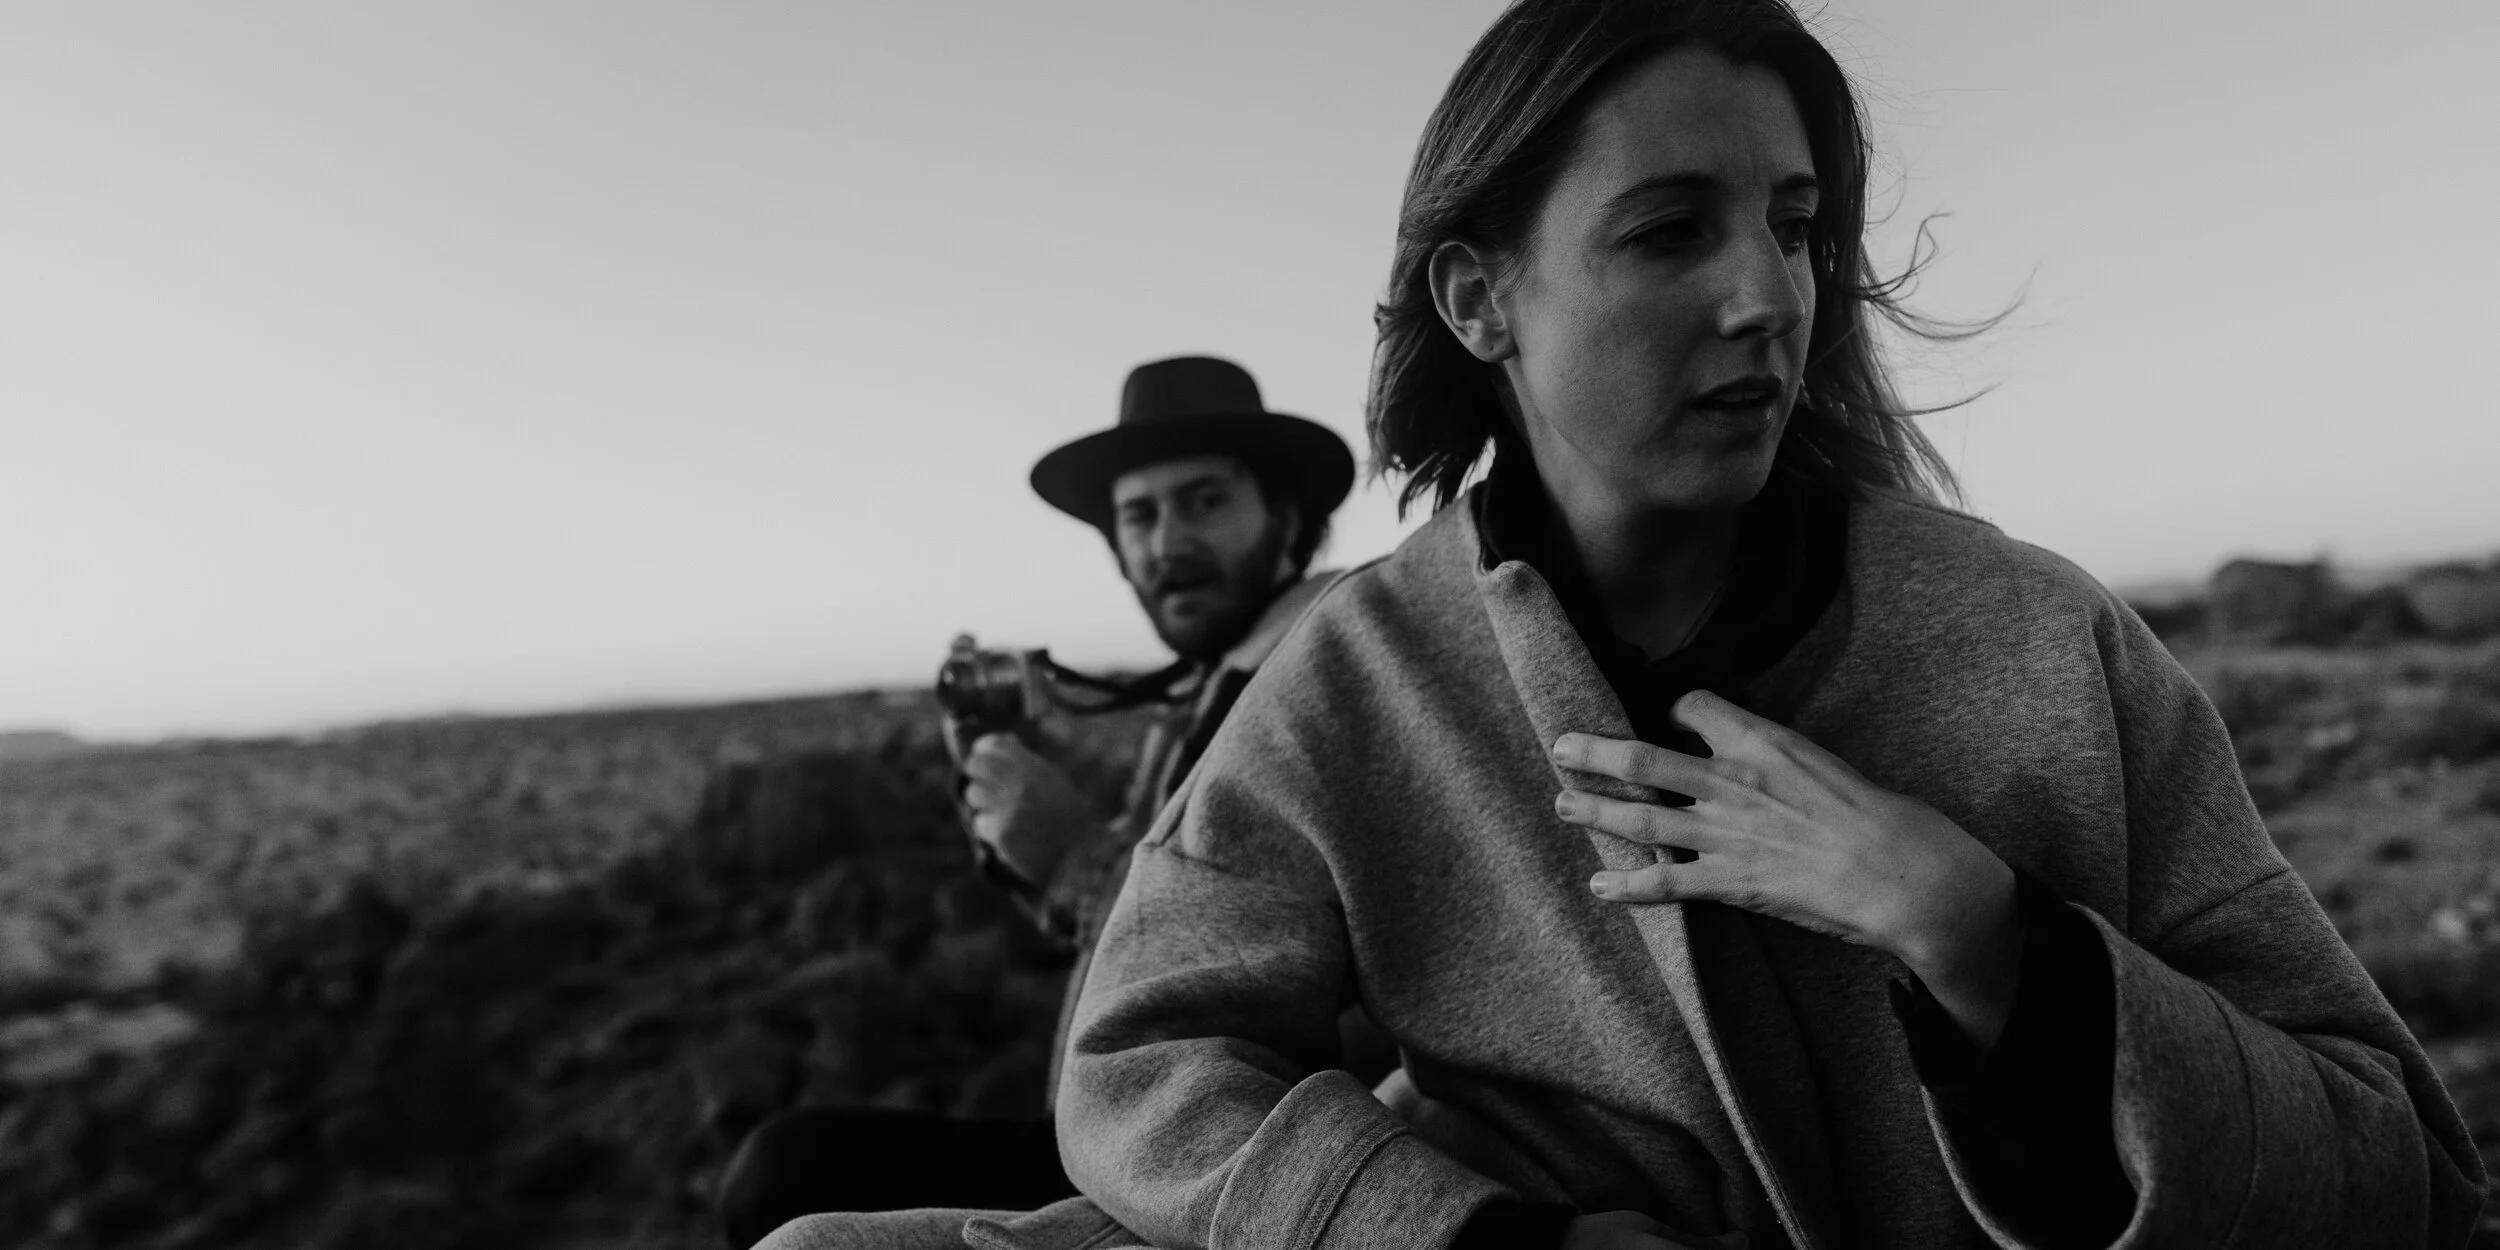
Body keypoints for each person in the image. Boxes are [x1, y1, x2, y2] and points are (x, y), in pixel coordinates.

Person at [759, 2, 2490, 1248]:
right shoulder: (1363, 676)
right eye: (1670, 233)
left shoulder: (2045, 643)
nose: (1769, 297)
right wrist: (1470, 1236)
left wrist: (1986, 937)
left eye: (1795, 230)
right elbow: (1142, 1060)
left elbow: (2404, 1168)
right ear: (1479, 297)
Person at [715, 355, 1360, 1248]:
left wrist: (1076, 862)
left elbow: (1283, 971)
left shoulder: (1323, 666)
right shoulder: (1208, 692)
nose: (1167, 543)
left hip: (1228, 1153)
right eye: (1139, 515)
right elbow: (1127, 935)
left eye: (1205, 501)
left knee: (785, 1174)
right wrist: (1034, 836)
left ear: (1284, 517)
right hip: (1124, 1129)